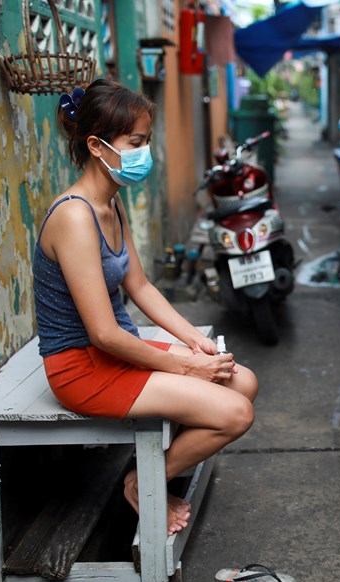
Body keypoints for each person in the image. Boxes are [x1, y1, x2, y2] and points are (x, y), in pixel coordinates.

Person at [34, 78, 257, 534]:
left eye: (146, 141)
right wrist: (186, 370)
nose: (144, 153)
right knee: (235, 412)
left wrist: (197, 342)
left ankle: (158, 461)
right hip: (82, 369)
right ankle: (144, 481)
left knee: (242, 381)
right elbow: (103, 333)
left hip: (117, 352)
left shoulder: (109, 203)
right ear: (97, 146)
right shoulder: (74, 216)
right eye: (135, 142)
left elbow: (140, 285)